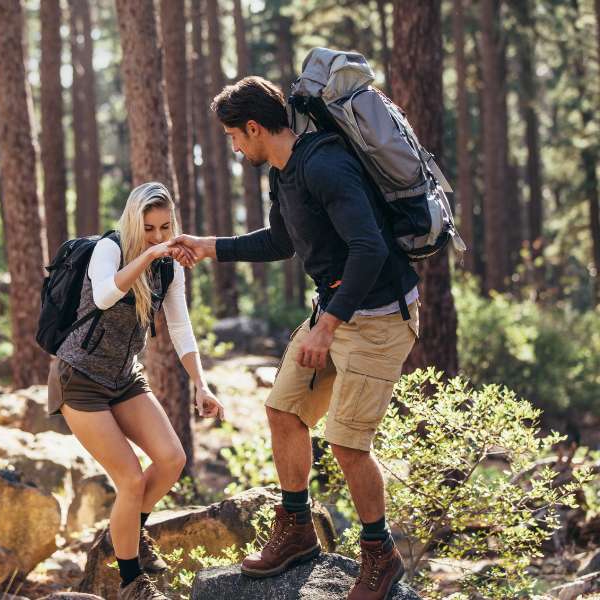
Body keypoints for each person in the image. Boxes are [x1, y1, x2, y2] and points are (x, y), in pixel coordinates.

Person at [174, 77, 420, 600]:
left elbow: (369, 249)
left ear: (255, 128)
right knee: (284, 410)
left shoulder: (326, 165)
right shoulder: (284, 176)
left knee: (348, 444)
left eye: (233, 137)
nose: (234, 147)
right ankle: (298, 530)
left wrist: (327, 327)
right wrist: (207, 246)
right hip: (334, 308)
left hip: (378, 317)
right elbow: (282, 241)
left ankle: (381, 555)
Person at [47, 181, 224, 600]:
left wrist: (202, 383)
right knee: (128, 478)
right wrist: (146, 255)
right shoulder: (107, 250)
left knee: (171, 458)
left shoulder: (170, 265)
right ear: (132, 222)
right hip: (80, 379)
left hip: (124, 376)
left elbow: (180, 327)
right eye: (149, 228)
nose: (160, 237)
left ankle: (128, 531)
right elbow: (107, 295)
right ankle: (131, 582)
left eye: (166, 227)